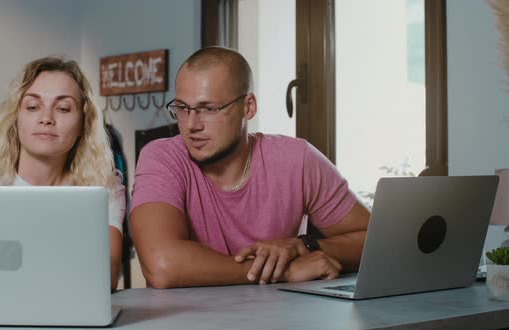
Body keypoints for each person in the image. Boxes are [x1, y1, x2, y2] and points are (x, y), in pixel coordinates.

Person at [130, 47, 370, 289]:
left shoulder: (297, 159)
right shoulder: (161, 157)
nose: (192, 125)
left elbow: (375, 241)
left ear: (248, 107)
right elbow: (161, 266)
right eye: (182, 108)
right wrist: (281, 271)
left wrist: (304, 246)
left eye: (209, 109)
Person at [0, 56, 125, 291]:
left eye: (63, 108)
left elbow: (107, 278)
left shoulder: (104, 189)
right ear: (15, 117)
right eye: (32, 106)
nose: (46, 119)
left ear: (84, 123)